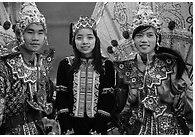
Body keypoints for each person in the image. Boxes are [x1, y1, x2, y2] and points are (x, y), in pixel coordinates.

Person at [114, 4, 193, 135]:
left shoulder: (170, 64)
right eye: (139, 35)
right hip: (135, 128)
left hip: (168, 129)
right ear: (133, 40)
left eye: (150, 35)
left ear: (157, 39)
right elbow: (121, 105)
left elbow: (184, 99)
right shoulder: (125, 67)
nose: (144, 40)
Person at [0, 2, 60, 135]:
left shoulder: (42, 64)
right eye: (30, 32)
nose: (36, 38)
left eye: (40, 33)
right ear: (20, 33)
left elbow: (48, 104)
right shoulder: (5, 66)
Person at [54, 16, 116, 135]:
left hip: (98, 126)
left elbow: (107, 97)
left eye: (89, 37)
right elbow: (61, 95)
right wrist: (66, 125)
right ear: (73, 40)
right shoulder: (65, 64)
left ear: (96, 40)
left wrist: (99, 126)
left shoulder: (107, 65)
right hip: (71, 126)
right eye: (79, 37)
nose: (85, 42)